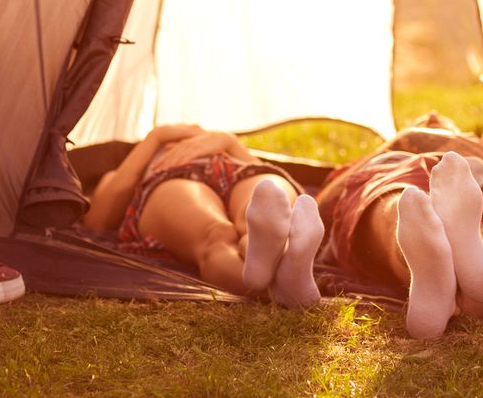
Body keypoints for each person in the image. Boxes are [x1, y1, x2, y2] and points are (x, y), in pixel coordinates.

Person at [313, 94, 483, 339]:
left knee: (413, 204)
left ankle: (443, 283)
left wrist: (481, 143)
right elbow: (326, 203)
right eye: (425, 123)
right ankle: (473, 291)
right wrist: (403, 142)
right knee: (406, 203)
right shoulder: (393, 151)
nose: (432, 118)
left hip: (481, 177)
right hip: (396, 167)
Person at [82, 124, 326, 307]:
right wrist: (155, 138)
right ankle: (279, 287)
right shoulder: (137, 159)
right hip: (169, 179)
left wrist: (228, 142)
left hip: (234, 169)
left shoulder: (221, 144)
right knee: (217, 234)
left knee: (267, 197)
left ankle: (276, 263)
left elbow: (266, 186)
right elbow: (97, 220)